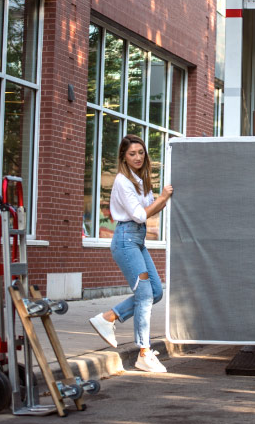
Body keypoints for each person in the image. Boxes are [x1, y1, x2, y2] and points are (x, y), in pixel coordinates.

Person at [89, 134, 173, 373]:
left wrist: (162, 199)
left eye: (140, 152)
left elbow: (151, 209)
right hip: (125, 240)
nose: (137, 157)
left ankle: (108, 318)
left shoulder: (140, 179)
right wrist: (163, 198)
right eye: (131, 154)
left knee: (156, 292)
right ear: (123, 158)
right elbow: (140, 215)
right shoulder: (122, 181)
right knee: (145, 294)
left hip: (137, 240)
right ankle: (144, 353)